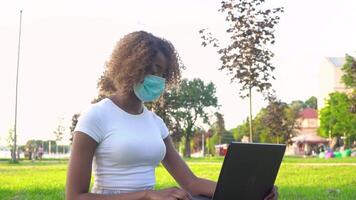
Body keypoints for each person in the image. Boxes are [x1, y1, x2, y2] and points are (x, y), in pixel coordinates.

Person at [65, 31, 278, 200]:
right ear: (131, 66)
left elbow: (191, 183)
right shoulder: (96, 116)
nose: (158, 79)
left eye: (163, 74)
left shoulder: (156, 123)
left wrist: (250, 193)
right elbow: (75, 196)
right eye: (154, 70)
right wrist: (147, 195)